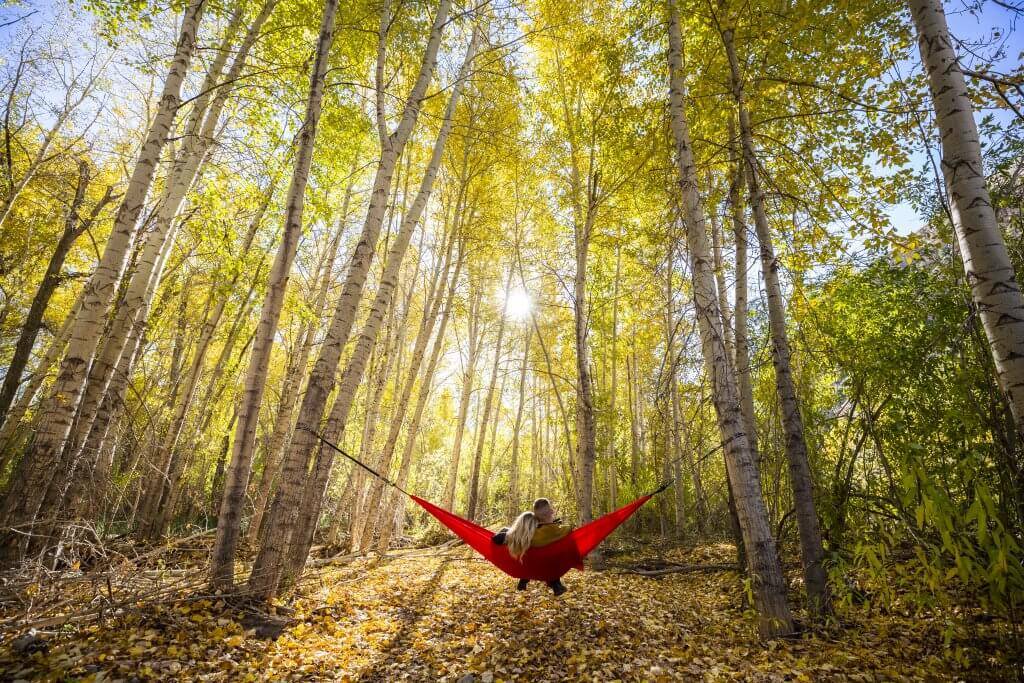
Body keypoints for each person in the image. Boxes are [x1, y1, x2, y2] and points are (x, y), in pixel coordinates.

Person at [491, 498, 571, 595]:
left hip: (524, 565)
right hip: (544, 567)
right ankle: (556, 585)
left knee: (528, 554)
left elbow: (495, 539)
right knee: (547, 555)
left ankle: (525, 580)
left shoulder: (515, 536)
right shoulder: (545, 532)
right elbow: (567, 529)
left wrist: (508, 535)